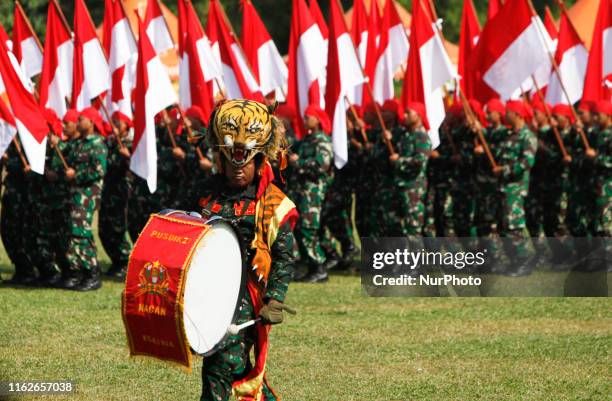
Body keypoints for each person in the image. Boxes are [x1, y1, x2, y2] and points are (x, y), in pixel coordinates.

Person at [185, 99, 297, 401]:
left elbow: (286, 254)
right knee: (237, 371)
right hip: (206, 295)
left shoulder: (271, 202)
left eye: (245, 163)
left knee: (220, 365)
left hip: (245, 297)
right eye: (231, 163)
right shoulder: (203, 193)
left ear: (259, 162)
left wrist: (274, 299)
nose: (238, 171)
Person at [63, 107, 108, 291]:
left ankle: (92, 273)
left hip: (88, 195)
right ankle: (80, 271)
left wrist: (76, 174)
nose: (78, 121)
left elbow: (98, 170)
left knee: (82, 232)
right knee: (75, 231)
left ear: (91, 122)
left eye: (81, 119)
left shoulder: (97, 143)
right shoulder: (80, 143)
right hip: (76, 193)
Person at [289, 105, 334, 283]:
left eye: (309, 117)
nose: (305, 119)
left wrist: (299, 162)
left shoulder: (322, 141)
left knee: (308, 228)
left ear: (318, 120)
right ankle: (310, 266)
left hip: (312, 192)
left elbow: (322, 165)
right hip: (301, 191)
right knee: (299, 228)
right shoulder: (306, 140)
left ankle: (319, 267)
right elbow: (291, 151)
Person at [100, 111, 133, 278]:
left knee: (118, 227)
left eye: (118, 123)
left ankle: (124, 262)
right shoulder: (109, 142)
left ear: (127, 125)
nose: (114, 126)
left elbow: (139, 166)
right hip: (108, 189)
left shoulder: (132, 142)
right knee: (104, 228)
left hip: (122, 190)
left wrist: (129, 157)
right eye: (112, 122)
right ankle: (115, 261)